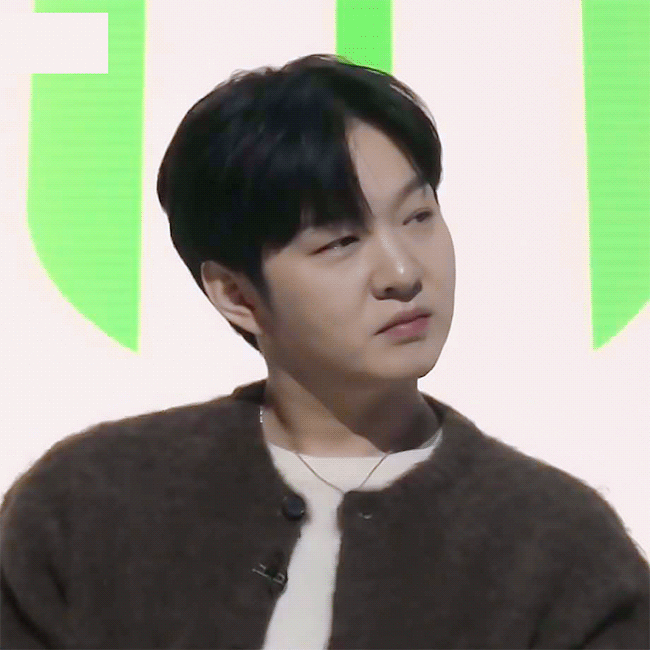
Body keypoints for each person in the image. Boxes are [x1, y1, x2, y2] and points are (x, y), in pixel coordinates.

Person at [1, 53, 648, 650]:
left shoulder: (559, 545)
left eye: (418, 217)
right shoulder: (88, 504)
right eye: (340, 242)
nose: (403, 272)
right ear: (235, 294)